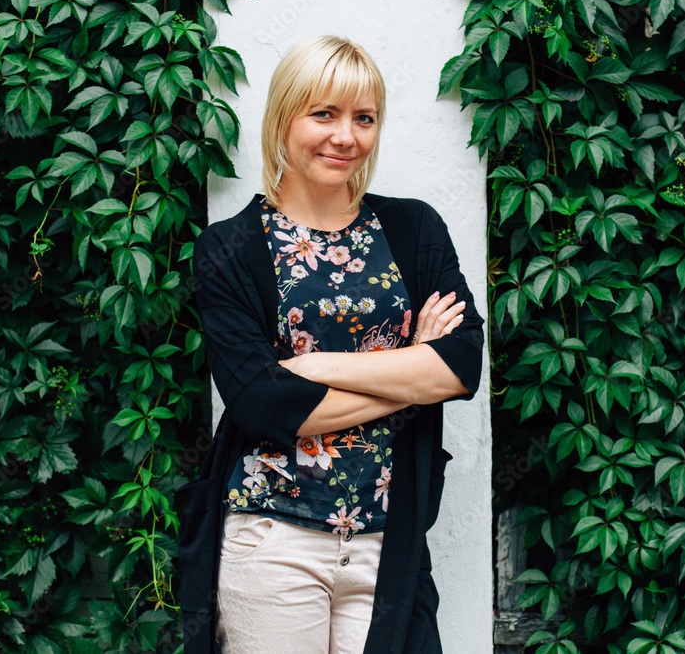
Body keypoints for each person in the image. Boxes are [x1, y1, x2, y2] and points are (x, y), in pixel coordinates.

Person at [178, 34, 483, 654]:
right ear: (283, 118)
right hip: (272, 541)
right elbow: (263, 406)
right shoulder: (227, 250)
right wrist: (409, 377)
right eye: (324, 113)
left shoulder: (413, 228)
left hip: (387, 539)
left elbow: (460, 366)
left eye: (363, 118)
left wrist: (314, 366)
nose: (345, 136)